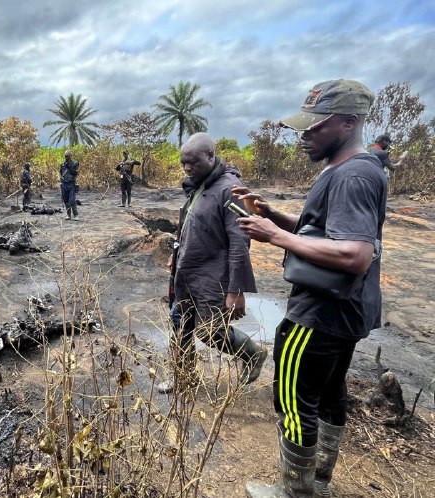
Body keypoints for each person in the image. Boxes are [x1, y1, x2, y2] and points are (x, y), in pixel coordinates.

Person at [235, 80, 387, 498]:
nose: (304, 136)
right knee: (330, 390)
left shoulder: (352, 175)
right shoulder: (352, 168)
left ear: (349, 122)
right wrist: (274, 215)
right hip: (345, 312)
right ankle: (319, 479)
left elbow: (355, 255)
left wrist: (275, 237)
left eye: (315, 126)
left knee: (293, 398)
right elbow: (323, 233)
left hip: (318, 314)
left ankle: (294, 491)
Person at [161, 133, 266, 393]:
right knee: (180, 325)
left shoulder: (231, 190)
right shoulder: (200, 185)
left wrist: (236, 290)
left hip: (212, 278)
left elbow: (240, 242)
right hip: (186, 275)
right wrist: (175, 259)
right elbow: (191, 228)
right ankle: (184, 379)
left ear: (210, 156)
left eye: (192, 162)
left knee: (210, 332)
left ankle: (252, 353)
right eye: (183, 163)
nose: (187, 168)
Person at [60, 150, 79, 220]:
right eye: (65, 156)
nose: (66, 157)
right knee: (65, 200)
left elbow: (75, 173)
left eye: (67, 156)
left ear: (71, 156)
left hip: (71, 184)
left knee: (72, 200)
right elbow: (61, 173)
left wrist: (69, 167)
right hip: (64, 184)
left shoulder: (75, 163)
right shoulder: (62, 164)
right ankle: (68, 215)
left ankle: (76, 215)